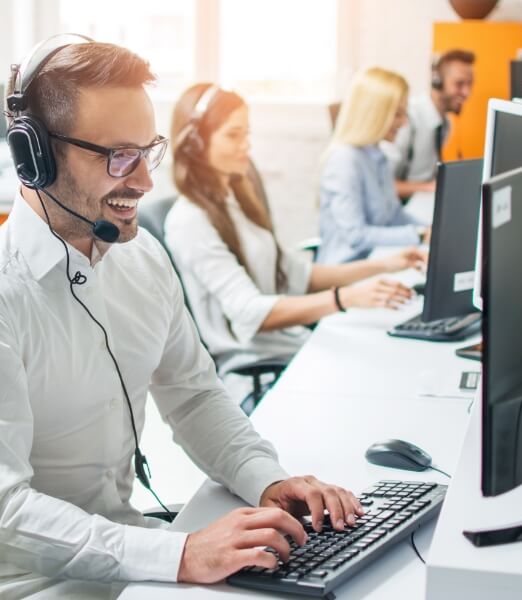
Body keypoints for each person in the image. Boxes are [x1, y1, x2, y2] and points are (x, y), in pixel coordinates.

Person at [0, 35, 370, 600]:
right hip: (23, 588)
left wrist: (265, 479)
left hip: (129, 561)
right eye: (117, 157)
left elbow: (195, 394)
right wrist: (181, 553)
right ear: (34, 155)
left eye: (146, 151)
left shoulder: (141, 258)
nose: (147, 182)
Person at [165, 83, 425, 396]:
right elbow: (250, 313)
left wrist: (387, 264)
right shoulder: (190, 220)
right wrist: (346, 298)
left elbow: (297, 274)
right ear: (195, 144)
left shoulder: (233, 199)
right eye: (234, 135)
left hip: (289, 346)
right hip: (257, 369)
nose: (246, 145)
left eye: (247, 133)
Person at [317, 67, 430, 265]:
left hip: (377, 259)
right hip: (347, 271)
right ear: (374, 114)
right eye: (397, 114)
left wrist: (432, 229)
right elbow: (356, 236)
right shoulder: (345, 160)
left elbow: (394, 215)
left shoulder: (378, 155)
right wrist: (418, 235)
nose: (404, 123)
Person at [383, 49, 475, 199]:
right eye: (459, 84)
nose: (467, 92)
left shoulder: (445, 124)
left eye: (470, 84)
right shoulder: (406, 121)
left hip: (424, 199)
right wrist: (429, 188)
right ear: (437, 82)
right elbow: (383, 185)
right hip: (402, 206)